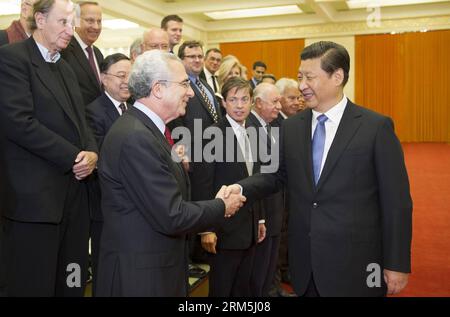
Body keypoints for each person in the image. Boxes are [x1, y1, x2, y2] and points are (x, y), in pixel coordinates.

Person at [228, 41, 413, 297]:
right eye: (300, 76)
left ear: (337, 76)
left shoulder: (375, 127)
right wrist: (239, 187)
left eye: (310, 77)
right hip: (306, 265)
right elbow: (274, 175)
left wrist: (397, 263)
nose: (302, 85)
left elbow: (397, 202)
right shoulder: (292, 127)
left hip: (357, 266)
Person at [95, 50, 245, 297]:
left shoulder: (149, 130)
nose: (190, 92)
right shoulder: (136, 137)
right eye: (184, 84)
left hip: (157, 269)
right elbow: (172, 214)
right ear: (158, 89)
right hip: (141, 278)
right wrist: (221, 205)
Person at [0, 0, 98, 296]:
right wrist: (73, 157)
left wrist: (92, 152)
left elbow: (83, 122)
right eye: (64, 22)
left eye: (72, 23)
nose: (71, 30)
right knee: (33, 285)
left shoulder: (66, 68)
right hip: (34, 203)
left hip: (74, 197)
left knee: (72, 279)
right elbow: (18, 122)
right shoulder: (11, 59)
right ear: (40, 20)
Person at [201, 77, 264, 297]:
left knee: (242, 290)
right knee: (221, 290)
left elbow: (258, 181)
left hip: (250, 228)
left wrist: (261, 218)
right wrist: (207, 228)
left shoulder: (255, 131)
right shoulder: (212, 134)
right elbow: (204, 184)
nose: (239, 105)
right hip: (223, 230)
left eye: (244, 99)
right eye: (233, 99)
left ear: (252, 102)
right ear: (224, 103)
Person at [85, 53, 132, 295]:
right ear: (104, 78)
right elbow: (103, 156)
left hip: (132, 207)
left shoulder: (134, 109)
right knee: (106, 269)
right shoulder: (94, 111)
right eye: (121, 75)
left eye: (130, 76)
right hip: (105, 206)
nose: (127, 81)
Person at [245, 83, 285, 297]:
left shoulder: (271, 126)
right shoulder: (249, 127)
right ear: (258, 103)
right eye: (275, 101)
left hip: (275, 210)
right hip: (262, 212)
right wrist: (260, 218)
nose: (279, 106)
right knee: (258, 273)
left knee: (269, 268)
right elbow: (256, 176)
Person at [61, 1, 103, 106]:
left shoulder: (98, 54)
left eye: (99, 21)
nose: (96, 27)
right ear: (76, 21)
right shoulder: (63, 50)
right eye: (90, 21)